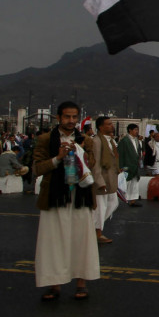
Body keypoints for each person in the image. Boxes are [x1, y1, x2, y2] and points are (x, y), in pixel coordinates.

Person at [33, 101, 99, 302]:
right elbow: (37, 168)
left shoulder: (85, 140)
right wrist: (58, 158)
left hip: (80, 196)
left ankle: (81, 282)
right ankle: (55, 284)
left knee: (82, 240)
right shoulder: (46, 140)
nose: (71, 121)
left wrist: (80, 153)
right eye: (67, 117)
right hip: (54, 195)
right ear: (58, 118)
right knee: (53, 241)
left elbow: (93, 164)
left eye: (74, 117)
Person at [86, 116, 120, 244]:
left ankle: (92, 228)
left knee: (113, 204)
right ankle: (97, 233)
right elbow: (95, 164)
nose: (111, 126)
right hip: (102, 180)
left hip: (111, 179)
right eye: (108, 124)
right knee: (100, 208)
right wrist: (99, 182)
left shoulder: (110, 141)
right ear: (100, 127)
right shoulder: (97, 141)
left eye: (111, 124)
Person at [117, 124, 143, 207]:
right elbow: (120, 154)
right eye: (135, 130)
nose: (137, 131)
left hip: (135, 165)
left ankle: (133, 201)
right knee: (125, 183)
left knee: (135, 183)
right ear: (130, 130)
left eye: (137, 130)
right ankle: (119, 200)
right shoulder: (124, 141)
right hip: (127, 165)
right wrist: (121, 166)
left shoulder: (136, 140)